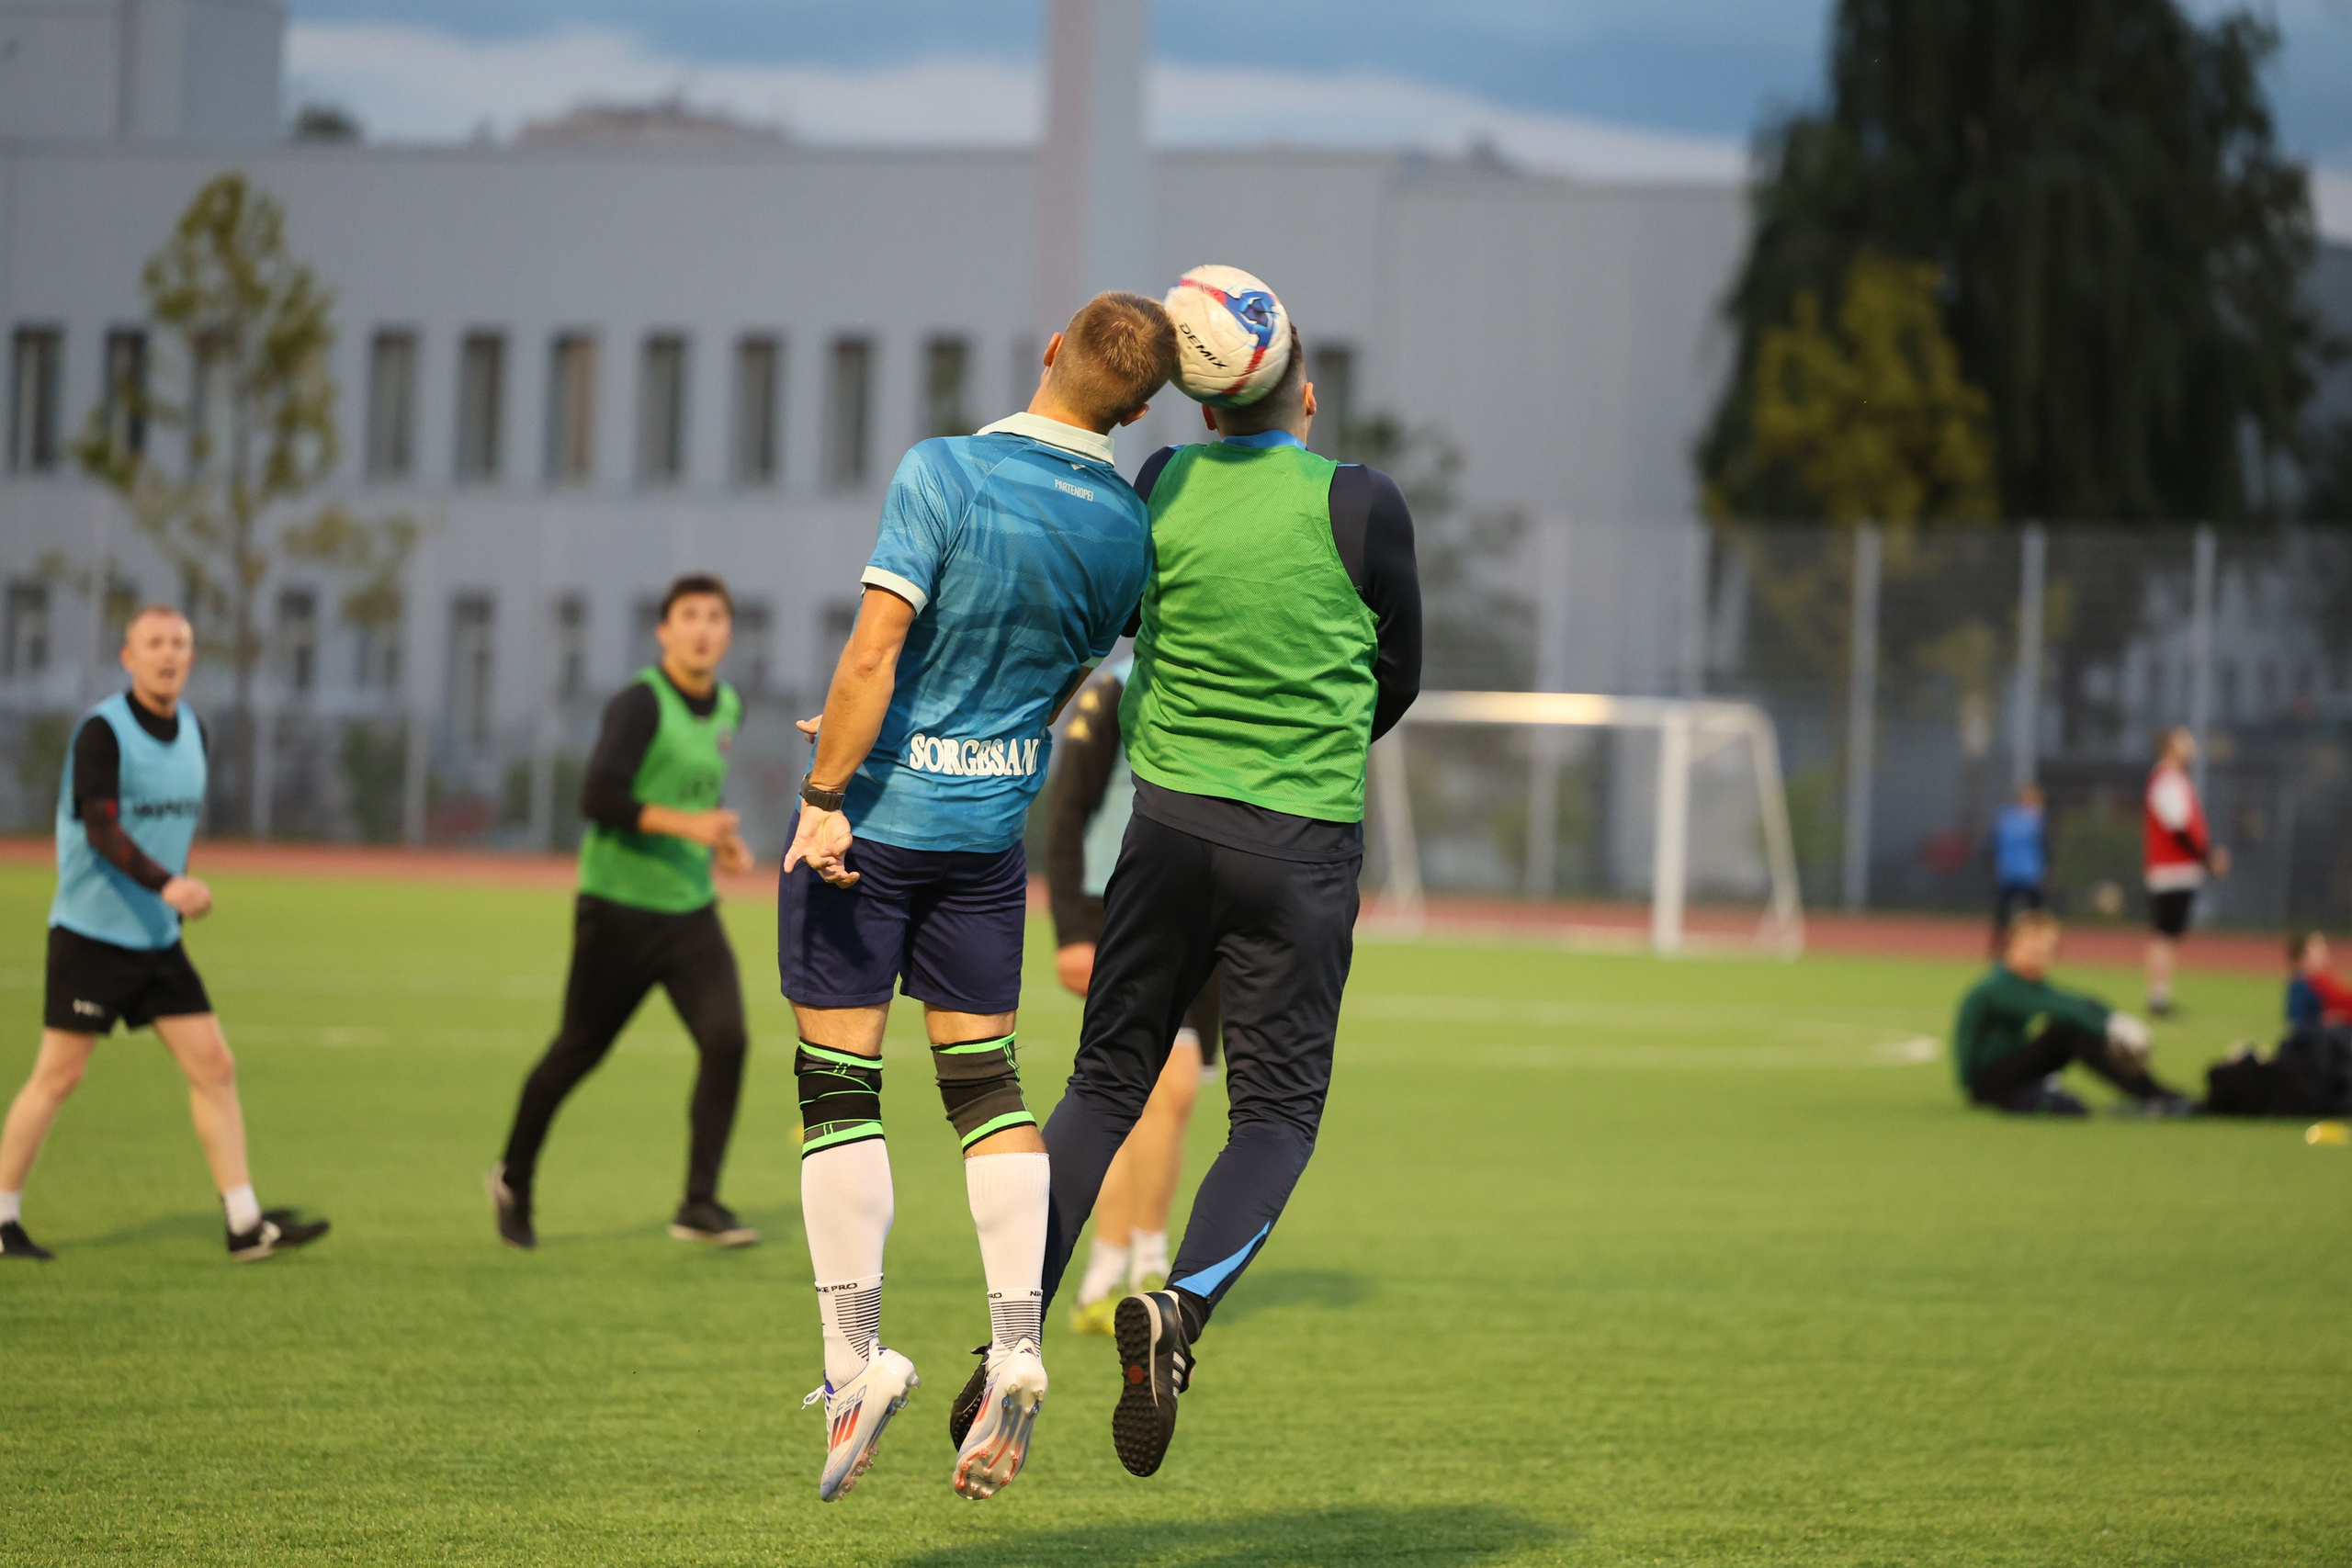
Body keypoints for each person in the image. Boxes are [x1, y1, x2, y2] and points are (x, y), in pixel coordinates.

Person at [777, 291, 1176, 1503]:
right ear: (1142, 406)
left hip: (877, 826)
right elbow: (1048, 672)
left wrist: (826, 784)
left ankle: (856, 1363)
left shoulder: (944, 471)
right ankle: (1014, 1341)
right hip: (988, 839)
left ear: (1052, 346)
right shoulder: (1124, 524)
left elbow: (875, 650)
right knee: (987, 1087)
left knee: (839, 1087)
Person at [1036, 299, 1424, 1480]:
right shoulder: (1361, 502)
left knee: (1103, 1084)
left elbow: (1118, 626)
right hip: (1300, 846)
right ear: (1304, 390)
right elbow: (1398, 676)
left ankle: (1010, 1331)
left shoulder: (1160, 479)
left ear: (1201, 407)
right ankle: (1181, 1311)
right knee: (1272, 1118)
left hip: (1163, 831)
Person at [0, 606, 330, 1263]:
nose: (167, 654)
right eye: (153, 643)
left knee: (215, 1065)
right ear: (128, 656)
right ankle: (1, 1216)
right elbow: (102, 827)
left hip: (155, 938)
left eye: (179, 643)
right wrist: (168, 884)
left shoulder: (194, 732)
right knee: (59, 1076)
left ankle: (243, 1223)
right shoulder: (103, 732)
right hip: (92, 935)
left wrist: (166, 899)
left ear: (192, 655)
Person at [489, 575, 756, 1252]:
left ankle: (698, 1202)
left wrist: (721, 843)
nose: (702, 629)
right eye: (688, 616)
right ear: (663, 631)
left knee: (727, 1039)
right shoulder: (641, 702)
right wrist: (689, 825)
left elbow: (693, 795)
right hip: (617, 911)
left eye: (715, 617)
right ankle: (513, 1176)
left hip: (689, 912)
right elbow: (599, 795)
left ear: (728, 632)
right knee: (578, 1049)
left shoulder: (727, 703)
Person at [1045, 658, 1221, 1337]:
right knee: (1148, 1089)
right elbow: (1068, 813)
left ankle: (1130, 1261)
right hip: (1123, 903)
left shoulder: (1231, 680)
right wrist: (1071, 930)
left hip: (1212, 906)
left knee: (1173, 1100)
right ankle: (1124, 1267)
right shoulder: (1117, 688)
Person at [1954, 910, 2189, 1116]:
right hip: (1985, 1085)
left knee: (2069, 1028)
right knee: (2065, 1031)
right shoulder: (1998, 987)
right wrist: (2109, 1026)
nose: (2041, 956)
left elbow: (2074, 1001)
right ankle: (2150, 1093)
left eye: (2046, 951)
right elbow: (2060, 1007)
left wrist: (2113, 1017)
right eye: (2033, 948)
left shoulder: (2023, 981)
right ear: (2012, 945)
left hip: (2004, 1075)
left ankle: (2150, 1092)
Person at [2143, 726, 2228, 1016]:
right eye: (2184, 742)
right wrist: (2207, 857)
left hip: (2179, 869)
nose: (2191, 747)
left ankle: (2161, 995)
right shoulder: (2166, 781)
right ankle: (2158, 997)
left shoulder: (2175, 780)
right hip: (2171, 870)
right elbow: (2179, 829)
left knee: (2168, 935)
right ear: (2171, 747)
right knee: (2164, 935)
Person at [1988, 782, 2048, 946]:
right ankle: (2001, 946)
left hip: (2028, 873)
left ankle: (2034, 944)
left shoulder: (2008, 818)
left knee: (2035, 915)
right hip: (2014, 872)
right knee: (2005, 913)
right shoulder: (2030, 820)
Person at [2284, 931, 2352, 1033]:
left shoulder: (2325, 978)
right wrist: (2327, 1019)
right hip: (2318, 1039)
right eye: (2317, 948)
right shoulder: (2302, 983)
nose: (2323, 952)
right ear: (2304, 954)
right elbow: (2298, 1020)